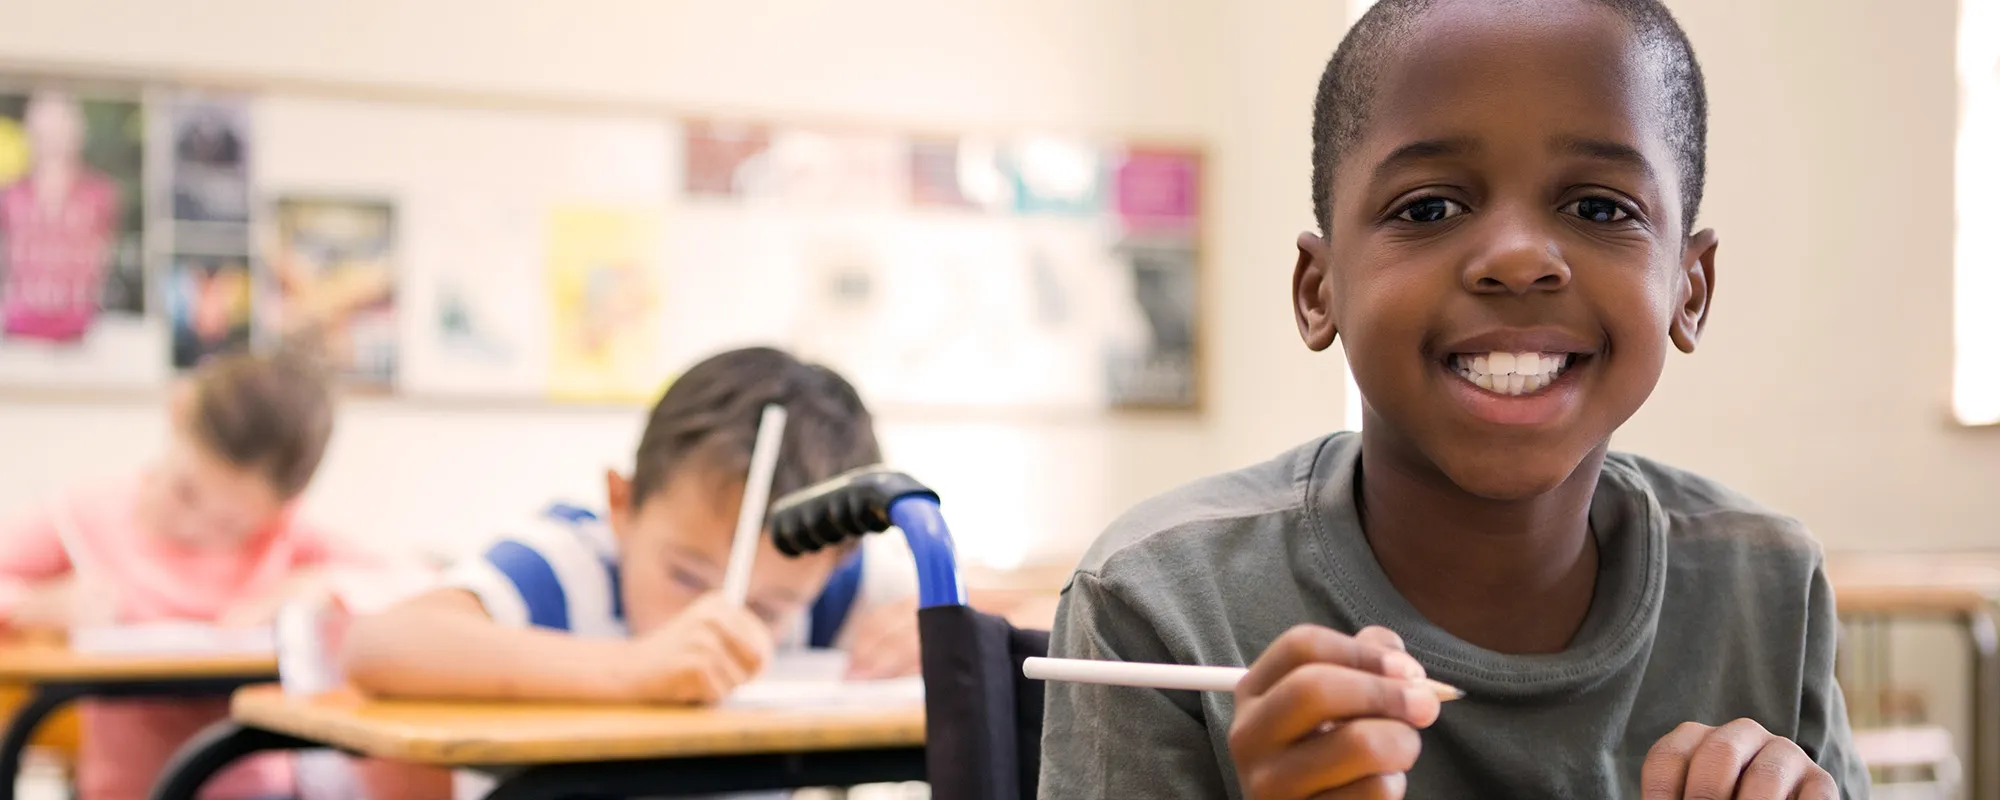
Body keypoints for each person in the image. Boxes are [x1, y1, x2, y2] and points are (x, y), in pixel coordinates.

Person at [1038, 1, 1865, 798]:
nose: (1516, 258)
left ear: (1690, 288)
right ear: (1319, 291)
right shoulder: (1159, 603)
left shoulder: (1765, 588)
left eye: (1599, 207)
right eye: (1429, 207)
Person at [341, 347, 936, 799]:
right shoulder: (569, 563)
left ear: (838, 561)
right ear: (621, 506)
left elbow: (1015, 625)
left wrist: (936, 630)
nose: (717, 618)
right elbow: (379, 645)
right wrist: (636, 670)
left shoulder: (831, 583)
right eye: (685, 576)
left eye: (768, 610)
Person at [0, 351, 391, 800]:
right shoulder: (85, 520)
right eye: (185, 493)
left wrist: (319, 588)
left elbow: (412, 583)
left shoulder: (284, 538)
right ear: (178, 412)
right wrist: (38, 606)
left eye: (232, 524)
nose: (196, 526)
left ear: (282, 506)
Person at [0, 90, 121, 343]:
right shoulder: (11, 197)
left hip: (80, 333)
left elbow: (105, 259)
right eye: (45, 131)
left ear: (77, 134)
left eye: (61, 129)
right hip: (18, 331)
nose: (53, 140)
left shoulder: (100, 196)